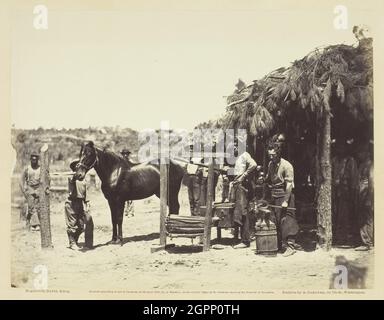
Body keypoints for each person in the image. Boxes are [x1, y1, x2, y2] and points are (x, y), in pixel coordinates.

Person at [265, 142, 299, 257]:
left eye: (273, 155)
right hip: (275, 194)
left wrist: (285, 200)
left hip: (285, 194)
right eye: (269, 155)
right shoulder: (270, 164)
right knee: (277, 220)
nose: (271, 157)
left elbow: (289, 185)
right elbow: (269, 180)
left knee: (288, 219)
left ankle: (290, 246)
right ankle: (280, 245)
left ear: (278, 154)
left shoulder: (287, 165)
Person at [230, 137, 257, 249]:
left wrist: (244, 176)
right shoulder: (237, 157)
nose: (235, 147)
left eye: (237, 144)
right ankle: (240, 238)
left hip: (242, 186)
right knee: (237, 212)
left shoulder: (245, 154)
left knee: (243, 212)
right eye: (234, 145)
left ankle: (245, 241)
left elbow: (254, 165)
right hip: (237, 185)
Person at [65, 160, 92, 250]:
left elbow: (86, 194)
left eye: (81, 168)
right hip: (71, 203)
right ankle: (72, 242)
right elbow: (74, 177)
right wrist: (77, 170)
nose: (80, 169)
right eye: (78, 167)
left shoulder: (83, 181)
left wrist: (87, 203)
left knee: (81, 226)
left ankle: (75, 240)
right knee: (72, 225)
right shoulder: (72, 178)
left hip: (80, 203)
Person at [20, 152, 41, 231]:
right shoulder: (27, 168)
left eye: (35, 159)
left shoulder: (40, 168)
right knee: (31, 206)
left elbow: (47, 178)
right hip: (30, 188)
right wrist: (24, 191)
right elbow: (21, 180)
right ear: (30, 160)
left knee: (38, 207)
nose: (34, 161)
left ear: (37, 160)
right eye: (32, 159)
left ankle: (29, 221)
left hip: (39, 188)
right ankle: (36, 225)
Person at [186, 144, 203, 216]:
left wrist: (197, 174)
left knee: (196, 198)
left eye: (192, 150)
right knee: (191, 198)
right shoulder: (188, 160)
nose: (191, 152)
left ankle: (197, 214)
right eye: (190, 150)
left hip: (195, 178)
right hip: (189, 178)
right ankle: (192, 214)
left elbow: (201, 169)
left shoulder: (198, 159)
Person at [120, 148, 135, 217]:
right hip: (123, 181)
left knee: (131, 198)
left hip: (130, 180)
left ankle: (131, 212)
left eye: (126, 154)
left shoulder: (131, 162)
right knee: (123, 198)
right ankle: (126, 212)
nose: (125, 155)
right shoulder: (120, 162)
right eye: (124, 154)